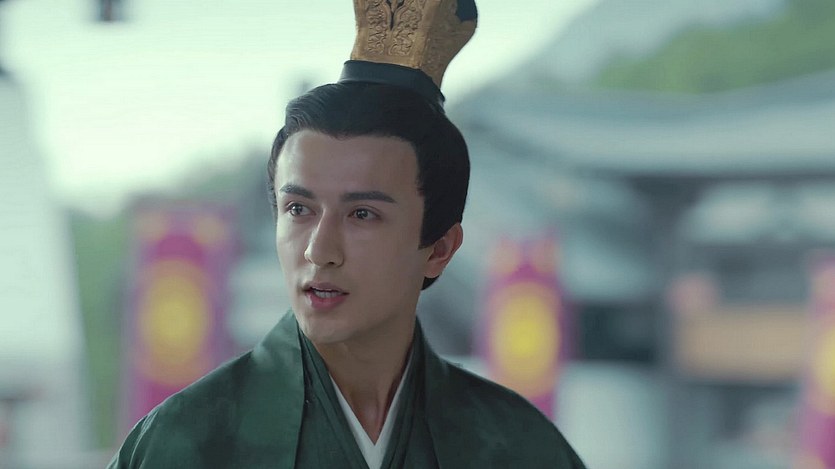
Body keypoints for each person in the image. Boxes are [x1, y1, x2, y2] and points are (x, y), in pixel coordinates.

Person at [109, 1, 587, 467]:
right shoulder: (187, 441)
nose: (320, 251)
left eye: (362, 214)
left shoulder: (514, 445)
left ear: (439, 248)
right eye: (298, 209)